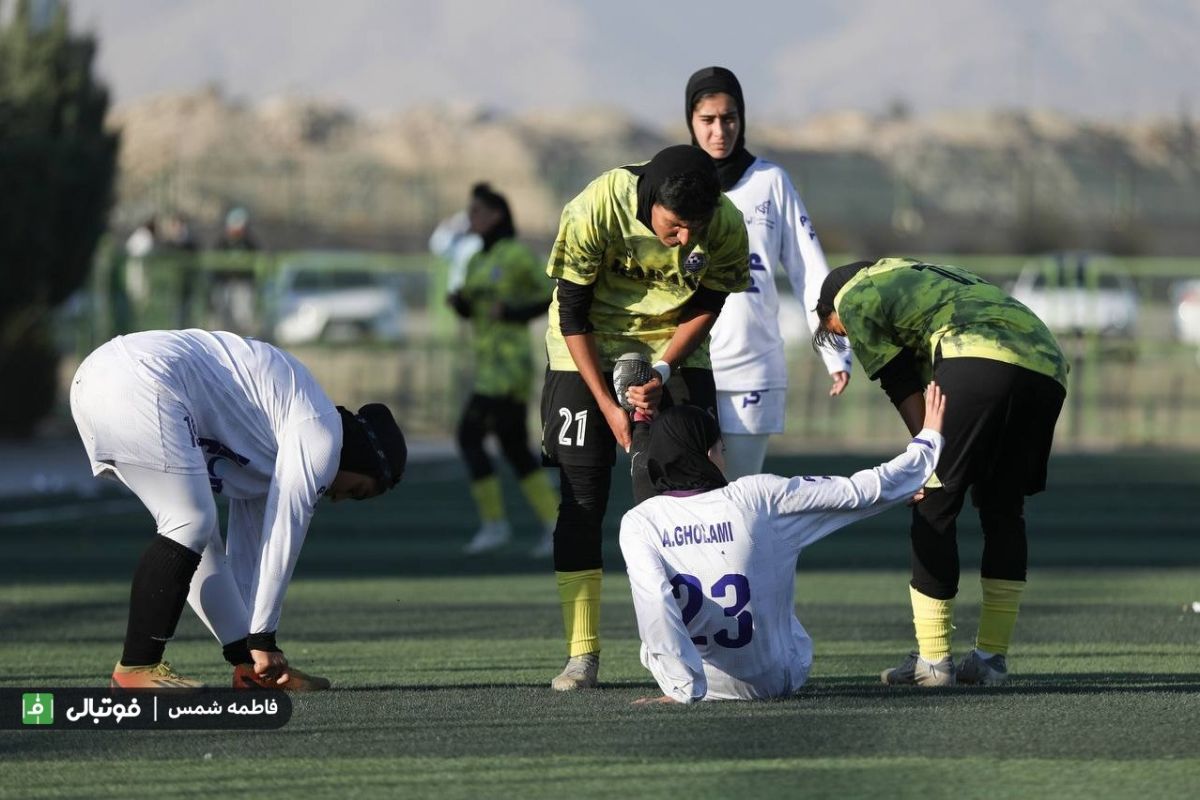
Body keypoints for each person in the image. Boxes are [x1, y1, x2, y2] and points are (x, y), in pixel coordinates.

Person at [70, 329, 408, 690]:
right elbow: (284, 532)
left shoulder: (278, 441)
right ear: (361, 455)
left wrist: (251, 653)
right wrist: (264, 638)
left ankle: (246, 669)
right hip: (138, 377)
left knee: (195, 531)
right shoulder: (322, 435)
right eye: (357, 490)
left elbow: (250, 555)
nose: (340, 499)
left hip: (100, 377)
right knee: (190, 523)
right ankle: (136, 668)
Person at [541, 144, 750, 691]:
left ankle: (698, 647)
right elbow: (571, 311)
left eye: (694, 229)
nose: (685, 240)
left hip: (673, 350)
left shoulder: (725, 224)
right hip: (583, 350)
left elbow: (711, 300)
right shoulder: (597, 207)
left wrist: (661, 369)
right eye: (676, 226)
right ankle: (581, 654)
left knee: (695, 499)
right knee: (583, 497)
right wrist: (609, 407)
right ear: (652, 200)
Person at [812, 258, 1068, 686]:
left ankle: (933, 662)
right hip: (1046, 363)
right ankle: (990, 661)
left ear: (831, 307)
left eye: (840, 332)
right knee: (1003, 509)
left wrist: (923, 461)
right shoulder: (920, 274)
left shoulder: (853, 295)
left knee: (932, 502)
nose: (850, 338)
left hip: (977, 353)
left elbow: (901, 384)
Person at [620, 386, 945, 703]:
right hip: (775, 679)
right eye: (722, 449)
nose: (725, 458)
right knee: (779, 541)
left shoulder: (640, 521)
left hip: (698, 688)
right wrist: (928, 442)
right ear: (708, 455)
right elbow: (857, 492)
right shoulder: (756, 496)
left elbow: (656, 608)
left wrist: (681, 690)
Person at [685, 66, 852, 480]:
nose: (719, 131)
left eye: (729, 119)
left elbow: (809, 268)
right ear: (690, 120)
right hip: (685, 367)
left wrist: (834, 347)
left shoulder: (771, 182)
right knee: (689, 499)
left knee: (743, 499)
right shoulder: (674, 182)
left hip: (751, 369)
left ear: (742, 120)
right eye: (708, 120)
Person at [447, 183, 559, 557]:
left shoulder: (516, 254)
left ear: (497, 215)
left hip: (508, 366)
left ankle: (496, 525)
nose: (472, 217)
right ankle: (555, 524)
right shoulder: (477, 259)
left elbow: (550, 294)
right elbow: (473, 307)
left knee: (469, 435)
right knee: (514, 448)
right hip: (485, 364)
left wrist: (512, 313)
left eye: (477, 211)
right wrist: (460, 304)